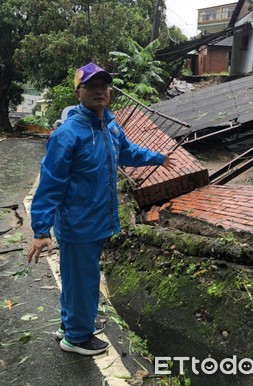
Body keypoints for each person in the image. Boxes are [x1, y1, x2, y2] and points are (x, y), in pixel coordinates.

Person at [28, 62, 175, 356]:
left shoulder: (108, 125)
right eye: (92, 85)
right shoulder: (68, 135)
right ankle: (77, 339)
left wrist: (157, 157)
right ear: (78, 91)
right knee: (83, 280)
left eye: (104, 85)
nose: (99, 91)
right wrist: (42, 229)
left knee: (78, 278)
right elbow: (51, 183)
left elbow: (128, 152)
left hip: (97, 219)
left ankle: (70, 325)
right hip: (78, 223)